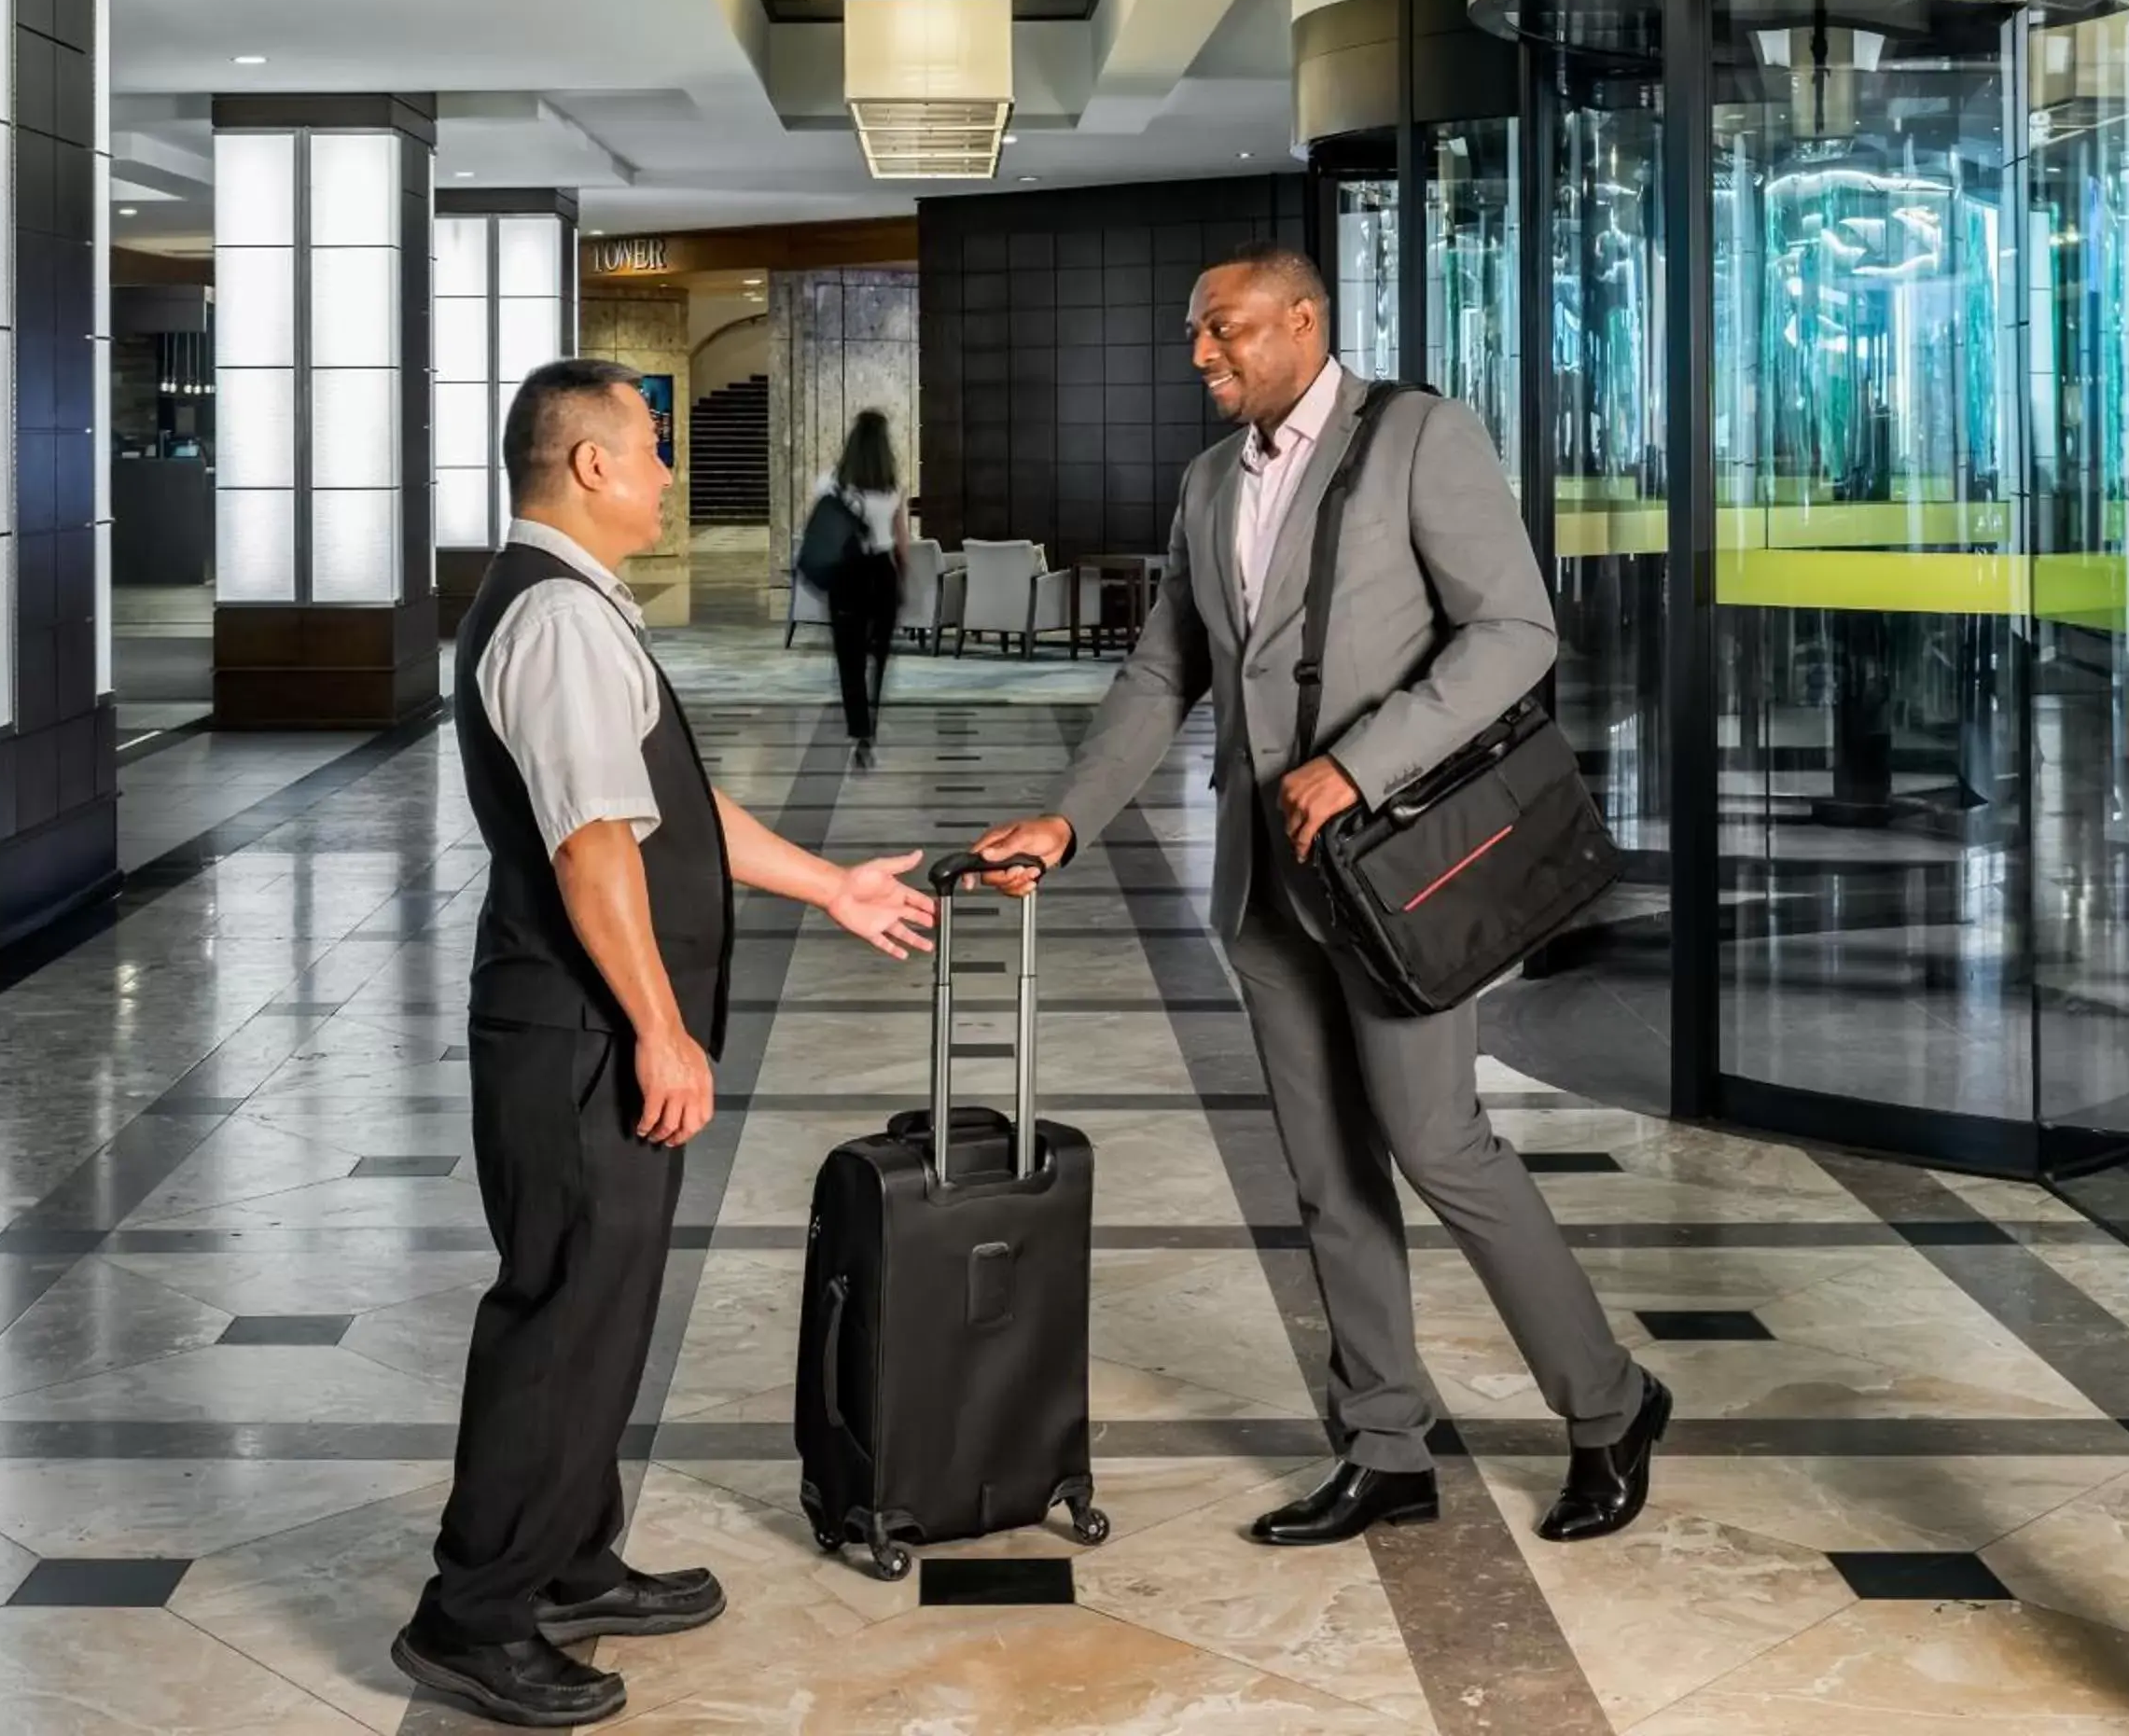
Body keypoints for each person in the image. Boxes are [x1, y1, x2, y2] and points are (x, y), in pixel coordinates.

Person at [970, 244, 1671, 1549]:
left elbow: (1516, 632)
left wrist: (1360, 760)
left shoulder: (1418, 435)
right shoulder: (1204, 483)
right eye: (1195, 331)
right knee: (1326, 1174)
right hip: (1267, 883)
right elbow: (1158, 674)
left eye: (1222, 327)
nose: (1201, 353)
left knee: (1436, 1142)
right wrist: (1070, 819)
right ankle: (1386, 1444)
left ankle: (1611, 1401)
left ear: (1303, 321)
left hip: (1398, 876)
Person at [397, 357, 937, 1729]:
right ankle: (473, 1619)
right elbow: (592, 856)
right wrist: (659, 1031)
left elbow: (671, 811)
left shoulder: (579, 608)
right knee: (565, 1315)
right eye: (650, 445)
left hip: (582, 1025)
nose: (666, 470)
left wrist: (831, 885)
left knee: (604, 1306)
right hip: (578, 1030)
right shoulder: (561, 623)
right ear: (587, 467)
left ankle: (569, 1558)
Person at [815, 409, 910, 763]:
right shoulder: (895, 487)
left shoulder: (830, 483)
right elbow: (902, 540)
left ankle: (860, 730)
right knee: (878, 655)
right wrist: (904, 577)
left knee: (849, 657)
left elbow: (824, 530)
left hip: (846, 574)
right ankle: (872, 715)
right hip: (882, 573)